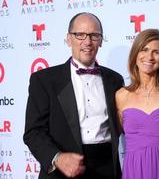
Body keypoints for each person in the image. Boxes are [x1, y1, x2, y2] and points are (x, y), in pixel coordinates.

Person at [23, 12, 123, 179]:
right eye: (80, 35)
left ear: (101, 40)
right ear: (69, 39)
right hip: (62, 171)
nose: (88, 42)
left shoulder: (115, 80)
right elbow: (33, 132)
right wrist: (57, 158)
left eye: (94, 35)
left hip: (106, 169)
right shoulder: (44, 80)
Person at [115, 29, 159, 179]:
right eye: (144, 50)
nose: (149, 57)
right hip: (135, 170)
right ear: (135, 54)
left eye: (156, 52)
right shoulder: (121, 96)